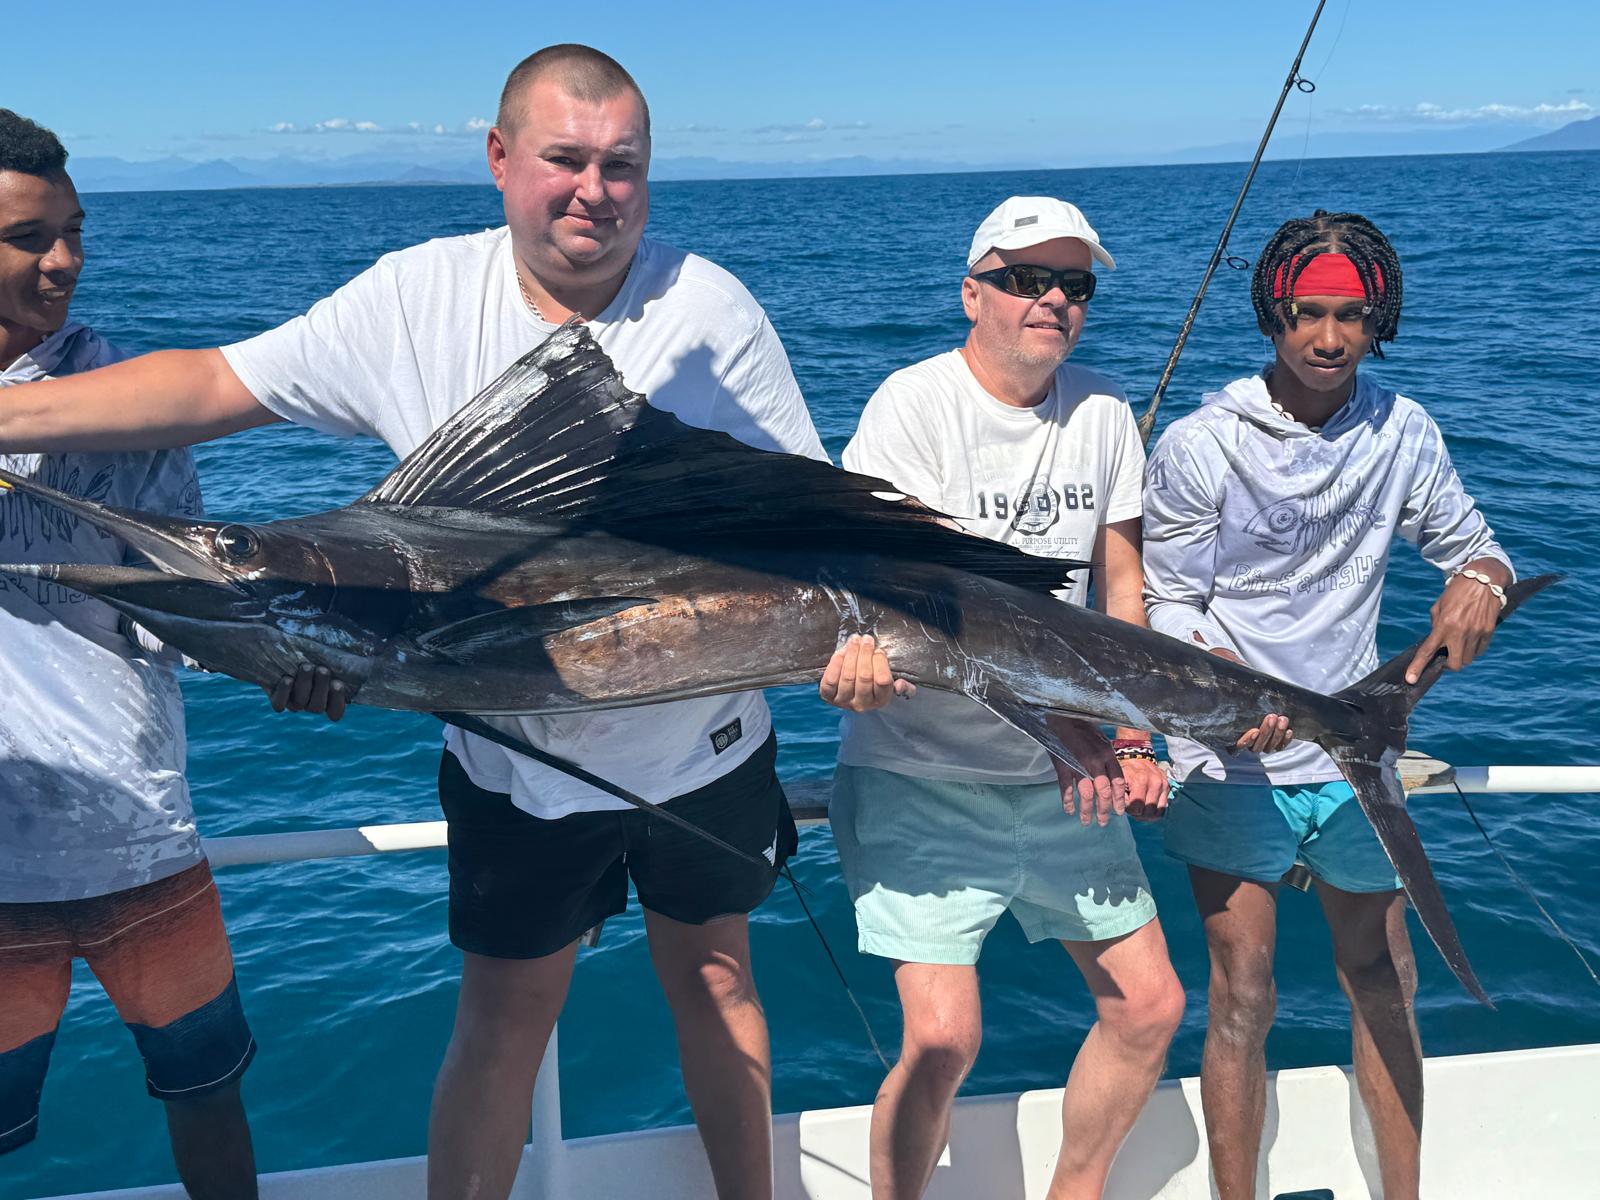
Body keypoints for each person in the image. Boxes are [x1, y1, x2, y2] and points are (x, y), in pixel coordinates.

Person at [0, 48, 824, 1200]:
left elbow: (815, 536)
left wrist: (857, 648)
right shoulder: (415, 299)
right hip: (511, 765)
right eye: (565, 160)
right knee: (504, 1018)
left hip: (703, 745)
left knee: (720, 982)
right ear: (499, 159)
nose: (594, 191)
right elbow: (212, 384)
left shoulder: (710, 309)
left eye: (621, 166)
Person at [816, 197, 1186, 1200]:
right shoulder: (911, 404)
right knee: (943, 1038)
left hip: (1066, 779)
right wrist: (859, 662)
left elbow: (1122, 595)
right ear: (971, 294)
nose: (1052, 299)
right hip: (919, 774)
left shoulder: (1103, 410)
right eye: (1024, 279)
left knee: (1150, 1006)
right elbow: (891, 598)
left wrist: (1133, 734)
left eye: (1073, 285)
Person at [1142, 209, 1513, 1200]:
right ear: (1273, 310)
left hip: (1354, 755)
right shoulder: (1201, 443)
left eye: (1350, 316)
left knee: (1385, 980)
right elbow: (1167, 601)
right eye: (1307, 312)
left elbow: (1474, 545)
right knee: (1243, 991)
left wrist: (1481, 581)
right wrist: (1223, 685)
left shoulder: (1402, 430)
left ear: (1378, 319)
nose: (1327, 337)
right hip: (1229, 756)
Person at [0, 110, 259, 1197]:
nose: (63, 260)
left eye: (73, 232)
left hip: (142, 839)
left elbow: (178, 608)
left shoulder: (128, 396)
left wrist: (272, 658)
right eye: (28, 237)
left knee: (209, 1097)